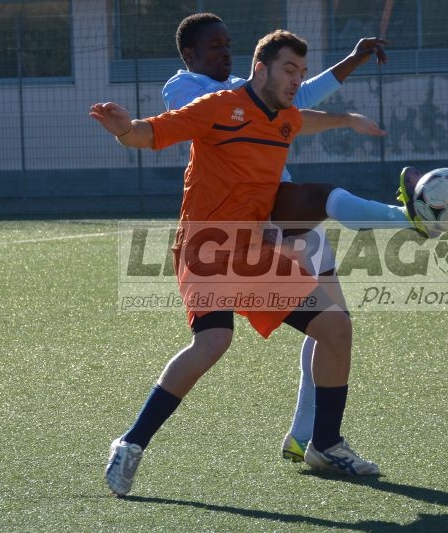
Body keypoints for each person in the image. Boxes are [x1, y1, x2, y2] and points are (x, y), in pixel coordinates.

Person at [91, 29, 383, 497]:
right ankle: (131, 443)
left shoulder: (282, 117)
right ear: (261, 70)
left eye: (302, 72)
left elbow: (302, 119)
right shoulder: (215, 104)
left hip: (253, 250)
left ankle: (325, 443)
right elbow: (153, 132)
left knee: (336, 327)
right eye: (289, 70)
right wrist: (126, 129)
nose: (297, 79)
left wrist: (345, 120)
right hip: (205, 246)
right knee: (214, 340)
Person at [162, 13, 424, 464]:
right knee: (313, 309)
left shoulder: (248, 90)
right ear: (190, 54)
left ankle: (305, 435)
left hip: (286, 213)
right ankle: (407, 218)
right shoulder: (184, 88)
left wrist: (352, 62)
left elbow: (296, 97)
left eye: (228, 44)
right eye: (215, 46)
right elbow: (230, 112)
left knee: (335, 322)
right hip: (259, 220)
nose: (225, 52)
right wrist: (270, 97)